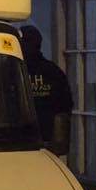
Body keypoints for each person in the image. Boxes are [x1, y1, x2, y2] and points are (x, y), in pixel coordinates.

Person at [19, 24, 73, 155]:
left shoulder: (12, 71)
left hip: (31, 142)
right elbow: (65, 106)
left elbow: (64, 109)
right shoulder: (53, 71)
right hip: (31, 142)